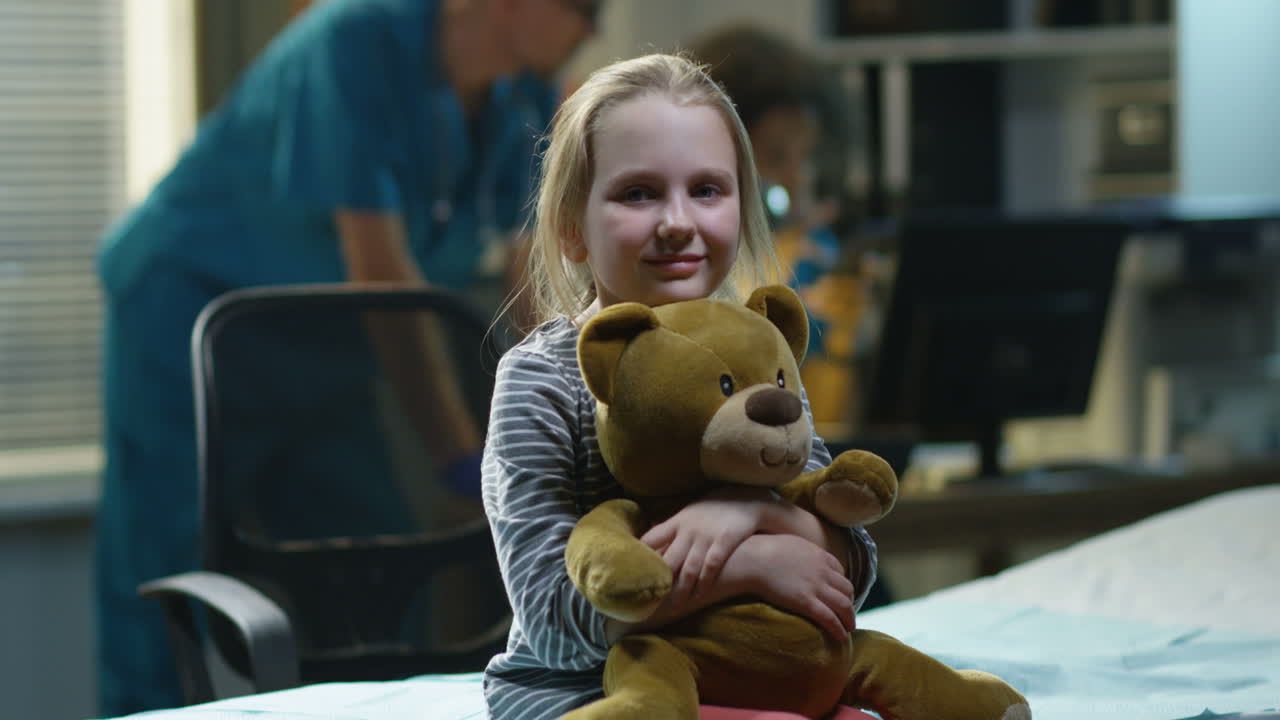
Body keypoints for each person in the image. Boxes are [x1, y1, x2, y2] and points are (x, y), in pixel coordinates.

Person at [94, 0, 599, 714]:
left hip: (326, 342)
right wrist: (465, 459)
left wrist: (577, 413)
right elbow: (379, 273)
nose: (591, 28)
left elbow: (531, 274)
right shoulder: (356, 39)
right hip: (188, 305)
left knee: (373, 554)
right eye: (581, 7)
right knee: (167, 568)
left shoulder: (527, 90)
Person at [480, 53, 879, 720]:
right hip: (586, 691)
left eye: (707, 190)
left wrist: (746, 512)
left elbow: (850, 569)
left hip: (750, 679)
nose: (677, 220)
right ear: (574, 229)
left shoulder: (758, 354)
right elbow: (552, 620)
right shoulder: (541, 379)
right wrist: (746, 568)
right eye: (638, 193)